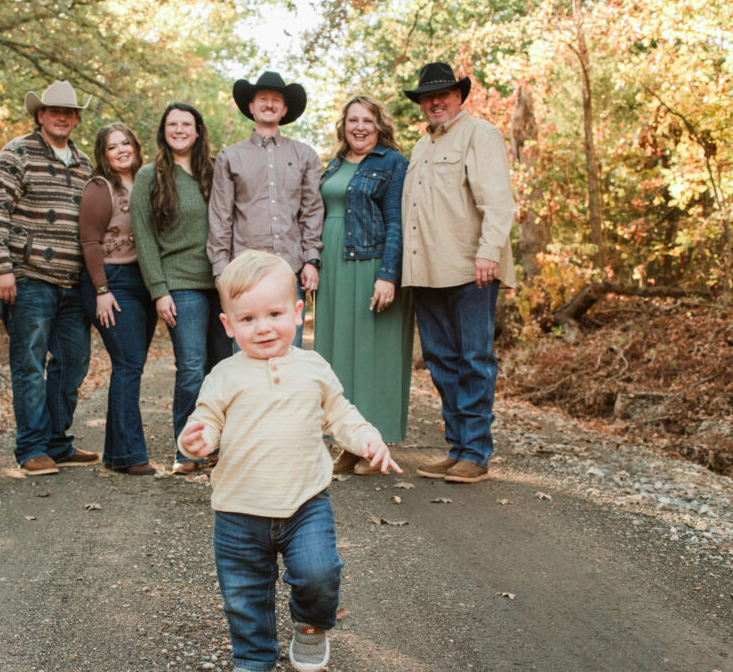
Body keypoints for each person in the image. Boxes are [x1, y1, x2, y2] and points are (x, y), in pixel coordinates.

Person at [179, 250, 402, 672]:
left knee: (319, 574)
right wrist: (196, 441)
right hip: (238, 509)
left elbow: (341, 414)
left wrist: (368, 437)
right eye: (247, 319)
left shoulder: (313, 367)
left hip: (305, 502)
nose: (263, 328)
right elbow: (205, 422)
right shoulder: (224, 375)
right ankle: (253, 658)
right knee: (244, 596)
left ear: (297, 313)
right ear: (228, 324)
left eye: (275, 313)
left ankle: (312, 626)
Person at [401, 62, 517, 483]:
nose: (435, 102)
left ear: (458, 96)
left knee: (473, 359)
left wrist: (489, 252)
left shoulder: (480, 135)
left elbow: (498, 203)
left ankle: (476, 453)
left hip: (471, 269)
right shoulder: (420, 148)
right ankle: (457, 447)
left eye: (443, 94)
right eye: (427, 97)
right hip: (427, 270)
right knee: (440, 361)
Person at [0, 80, 100, 476]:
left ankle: (57, 443)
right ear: (41, 115)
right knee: (30, 363)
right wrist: (1, 268)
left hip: (72, 281)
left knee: (73, 363)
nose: (62, 117)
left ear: (77, 118)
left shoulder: (85, 164)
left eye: (69, 112)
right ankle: (31, 448)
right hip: (28, 278)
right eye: (54, 111)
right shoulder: (16, 154)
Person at [314, 94, 413, 476]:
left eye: (367, 121)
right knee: (340, 355)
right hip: (335, 266)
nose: (359, 127)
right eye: (352, 120)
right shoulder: (335, 163)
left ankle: (376, 444)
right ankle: (350, 443)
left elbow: (396, 220)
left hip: (370, 262)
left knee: (375, 355)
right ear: (344, 126)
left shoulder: (393, 162)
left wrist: (388, 275)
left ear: (378, 126)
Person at [131, 102, 231, 475]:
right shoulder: (150, 176)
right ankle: (188, 450)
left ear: (198, 130)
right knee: (190, 369)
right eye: (172, 124)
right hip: (180, 285)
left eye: (186, 123)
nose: (179, 129)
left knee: (222, 369)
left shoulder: (216, 171)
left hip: (222, 284)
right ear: (163, 131)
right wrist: (159, 290)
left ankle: (218, 444)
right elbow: (144, 236)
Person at [207, 71, 324, 347]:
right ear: (251, 107)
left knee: (287, 351)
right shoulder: (230, 157)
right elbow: (221, 216)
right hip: (245, 272)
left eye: (275, 100)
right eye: (262, 99)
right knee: (246, 353)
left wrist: (311, 260)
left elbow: (311, 212)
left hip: (290, 269)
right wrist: (221, 270)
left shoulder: (304, 155)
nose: (269, 104)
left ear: (284, 109)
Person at [79, 123, 157, 475]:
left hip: (144, 280)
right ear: (103, 154)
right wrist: (101, 291)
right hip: (111, 281)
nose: (122, 150)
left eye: (126, 143)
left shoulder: (147, 184)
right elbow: (90, 243)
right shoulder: (100, 188)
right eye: (113, 147)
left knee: (132, 364)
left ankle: (115, 454)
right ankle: (131, 456)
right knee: (128, 364)